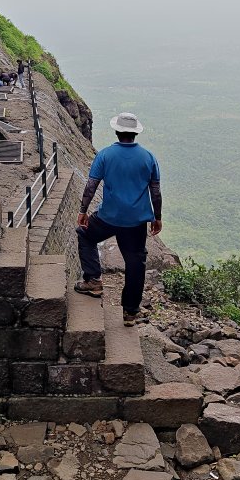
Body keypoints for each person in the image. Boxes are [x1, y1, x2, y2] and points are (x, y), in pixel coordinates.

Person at [74, 111, 162, 326]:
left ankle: (93, 280)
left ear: (116, 131)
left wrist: (83, 211)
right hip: (136, 221)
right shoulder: (149, 157)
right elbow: (155, 191)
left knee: (85, 234)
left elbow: (91, 186)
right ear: (135, 134)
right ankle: (130, 313)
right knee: (135, 263)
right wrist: (157, 217)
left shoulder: (105, 155)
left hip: (108, 217)